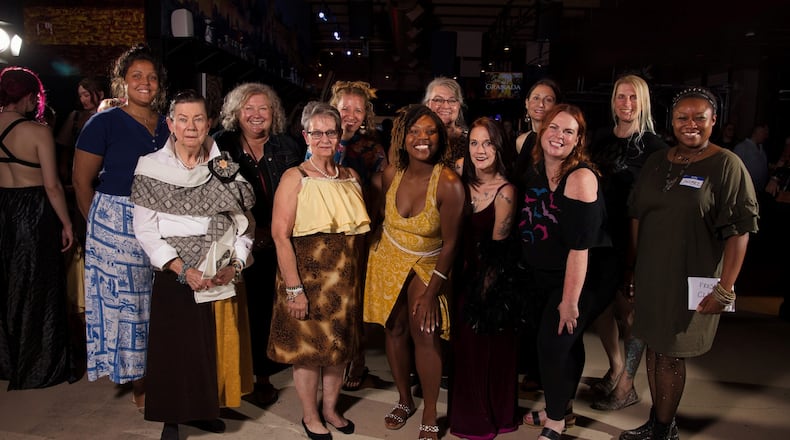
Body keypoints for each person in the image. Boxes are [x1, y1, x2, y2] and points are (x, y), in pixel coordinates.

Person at [621, 87, 758, 440]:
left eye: (700, 117)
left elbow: (740, 231)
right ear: (672, 122)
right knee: (653, 347)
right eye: (683, 117)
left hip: (690, 280)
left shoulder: (727, 165)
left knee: (670, 355)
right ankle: (659, 421)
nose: (691, 124)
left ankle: (664, 431)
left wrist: (725, 289)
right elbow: (636, 214)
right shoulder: (657, 162)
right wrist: (632, 270)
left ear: (714, 121)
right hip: (651, 275)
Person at [130, 90, 255, 440]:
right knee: (175, 347)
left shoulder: (225, 168)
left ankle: (203, 410)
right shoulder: (151, 167)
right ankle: (172, 418)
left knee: (210, 348)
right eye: (182, 119)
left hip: (218, 266)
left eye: (198, 119)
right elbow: (145, 229)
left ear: (208, 123)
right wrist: (181, 268)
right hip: (175, 268)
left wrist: (236, 264)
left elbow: (244, 223)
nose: (190, 126)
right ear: (170, 124)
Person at [72, 43, 170, 412]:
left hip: (160, 218)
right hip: (115, 221)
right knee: (130, 307)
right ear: (123, 82)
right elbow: (82, 182)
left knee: (160, 300)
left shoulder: (166, 125)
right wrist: (100, 232)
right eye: (136, 76)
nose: (145, 83)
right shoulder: (104, 123)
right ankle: (140, 383)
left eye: (152, 77)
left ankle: (162, 372)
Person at [267, 101, 371, 440]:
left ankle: (330, 409)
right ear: (305, 136)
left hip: (345, 282)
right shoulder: (294, 177)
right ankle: (310, 415)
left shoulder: (351, 177)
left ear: (340, 136)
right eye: (317, 132)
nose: (324, 138)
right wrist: (293, 289)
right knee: (309, 353)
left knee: (338, 350)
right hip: (309, 281)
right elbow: (280, 236)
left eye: (331, 132)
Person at [363, 104, 465, 440]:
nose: (422, 139)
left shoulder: (448, 184)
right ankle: (405, 400)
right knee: (394, 329)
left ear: (440, 137)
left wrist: (433, 291)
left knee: (425, 332)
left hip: (427, 263)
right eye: (414, 132)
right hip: (388, 258)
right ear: (403, 137)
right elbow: (376, 218)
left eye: (430, 131)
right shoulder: (392, 173)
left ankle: (431, 411)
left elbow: (450, 245)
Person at [517, 104, 612, 440]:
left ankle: (555, 420)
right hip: (546, 274)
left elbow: (579, 248)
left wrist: (570, 301)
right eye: (554, 128)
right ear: (542, 132)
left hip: (583, 277)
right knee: (565, 343)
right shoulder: (537, 168)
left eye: (568, 131)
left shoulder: (581, 178)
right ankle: (563, 407)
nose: (559, 136)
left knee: (554, 343)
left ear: (578, 140)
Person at [213, 82, 303, 407]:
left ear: (273, 113)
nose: (255, 115)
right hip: (237, 239)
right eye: (248, 108)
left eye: (262, 108)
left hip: (280, 236)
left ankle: (267, 370)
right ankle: (249, 375)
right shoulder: (222, 146)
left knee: (272, 307)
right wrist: (252, 231)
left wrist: (276, 231)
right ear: (236, 113)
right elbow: (220, 195)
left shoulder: (286, 146)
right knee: (244, 308)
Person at [587, 74, 669, 411]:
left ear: (644, 102)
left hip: (636, 240)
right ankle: (617, 367)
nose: (626, 104)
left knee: (630, 313)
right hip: (600, 235)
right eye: (621, 96)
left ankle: (626, 385)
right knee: (600, 308)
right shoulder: (600, 138)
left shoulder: (655, 147)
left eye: (633, 98)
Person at [0, 66, 75, 389]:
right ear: (30, 96)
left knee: (6, 285)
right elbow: (53, 186)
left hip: (2, 209)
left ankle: (7, 360)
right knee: (38, 288)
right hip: (33, 211)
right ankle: (38, 364)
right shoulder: (38, 131)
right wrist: (67, 222)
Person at [448, 117, 519, 440]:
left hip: (486, 281)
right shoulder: (459, 175)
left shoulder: (505, 191)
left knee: (483, 349)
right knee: (462, 354)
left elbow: (497, 253)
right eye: (475, 143)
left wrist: (481, 296)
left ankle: (486, 419)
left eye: (488, 143)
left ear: (499, 147)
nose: (480, 150)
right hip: (455, 273)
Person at [318, 80, 388, 391]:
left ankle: (355, 361)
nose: (350, 114)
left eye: (358, 109)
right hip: (321, 231)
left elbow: (380, 192)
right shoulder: (315, 140)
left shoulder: (371, 147)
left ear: (366, 115)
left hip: (357, 232)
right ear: (333, 107)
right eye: (345, 107)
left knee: (353, 298)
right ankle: (325, 356)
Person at [55, 77, 105, 184]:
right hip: (77, 168)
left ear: (100, 94)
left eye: (86, 95)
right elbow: (65, 144)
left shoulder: (108, 117)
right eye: (80, 96)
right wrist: (63, 165)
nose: (82, 99)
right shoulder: (75, 116)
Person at [513, 78, 561, 187]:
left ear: (556, 106)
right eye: (536, 98)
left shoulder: (558, 142)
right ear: (526, 103)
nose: (541, 104)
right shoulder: (521, 141)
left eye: (548, 100)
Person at [423, 76, 468, 165]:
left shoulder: (471, 140)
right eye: (438, 100)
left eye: (452, 100)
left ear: (459, 105)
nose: (446, 106)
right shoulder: (416, 138)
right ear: (428, 104)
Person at [733, 123, 770, 195]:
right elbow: (734, 168)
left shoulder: (761, 148)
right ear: (756, 133)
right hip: (745, 190)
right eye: (763, 133)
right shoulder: (742, 147)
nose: (765, 136)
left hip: (759, 190)